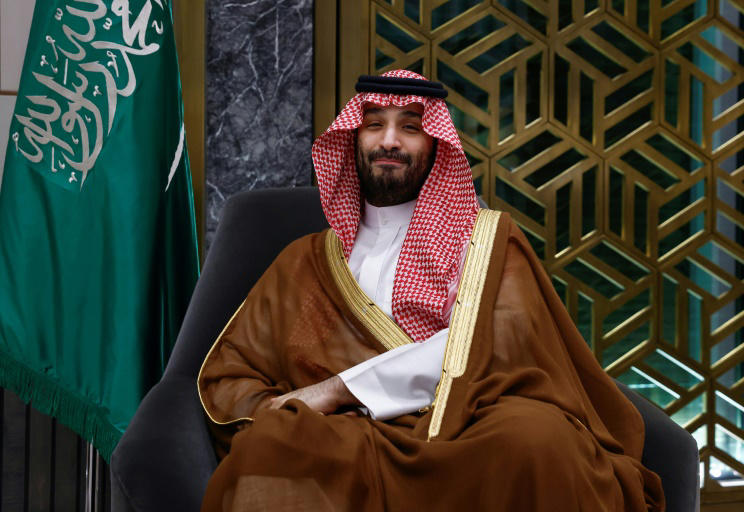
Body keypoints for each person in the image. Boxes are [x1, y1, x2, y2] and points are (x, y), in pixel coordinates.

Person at [197, 70, 665, 511]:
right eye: (374, 125)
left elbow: (486, 344)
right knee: (271, 443)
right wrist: (292, 409)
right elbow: (236, 367)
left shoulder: (485, 240)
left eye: (410, 127)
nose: (389, 141)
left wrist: (340, 388)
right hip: (353, 433)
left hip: (471, 421)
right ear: (352, 139)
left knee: (539, 439)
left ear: (436, 144)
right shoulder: (305, 260)